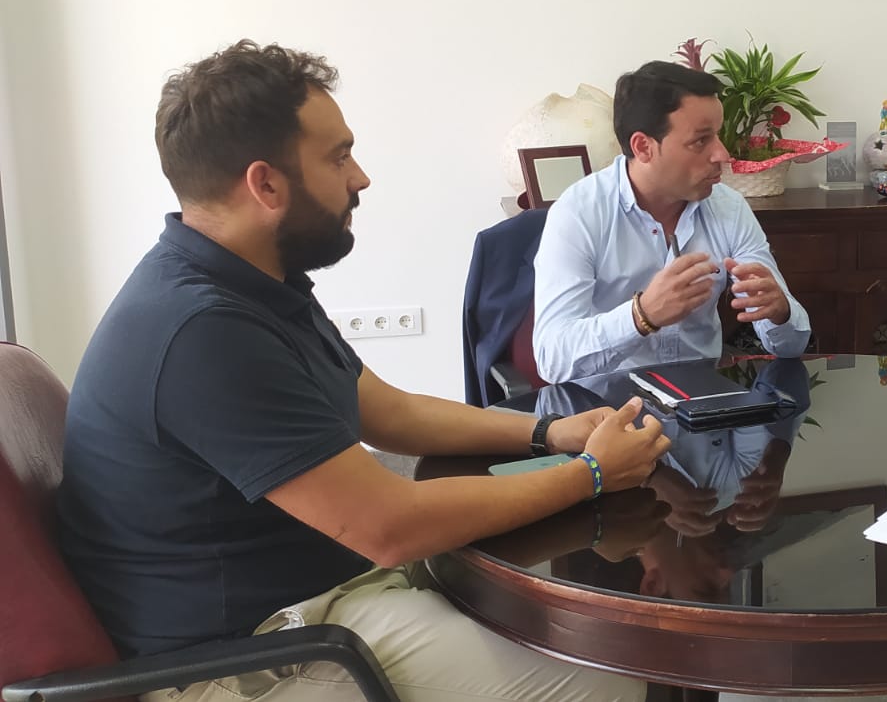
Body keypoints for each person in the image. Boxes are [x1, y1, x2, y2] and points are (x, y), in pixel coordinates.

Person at [56, 40, 670, 702]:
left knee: (582, 629)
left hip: (315, 600)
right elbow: (389, 525)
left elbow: (389, 409)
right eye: (338, 155)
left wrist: (550, 433)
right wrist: (593, 474)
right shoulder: (201, 330)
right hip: (240, 659)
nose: (361, 177)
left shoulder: (255, 278)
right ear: (265, 183)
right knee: (612, 682)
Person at [532, 60, 810, 382]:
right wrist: (642, 315)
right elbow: (552, 360)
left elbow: (791, 346)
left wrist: (780, 313)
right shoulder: (578, 213)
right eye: (700, 141)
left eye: (717, 136)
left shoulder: (729, 209)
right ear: (644, 147)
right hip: (605, 415)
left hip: (703, 408)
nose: (722, 154)